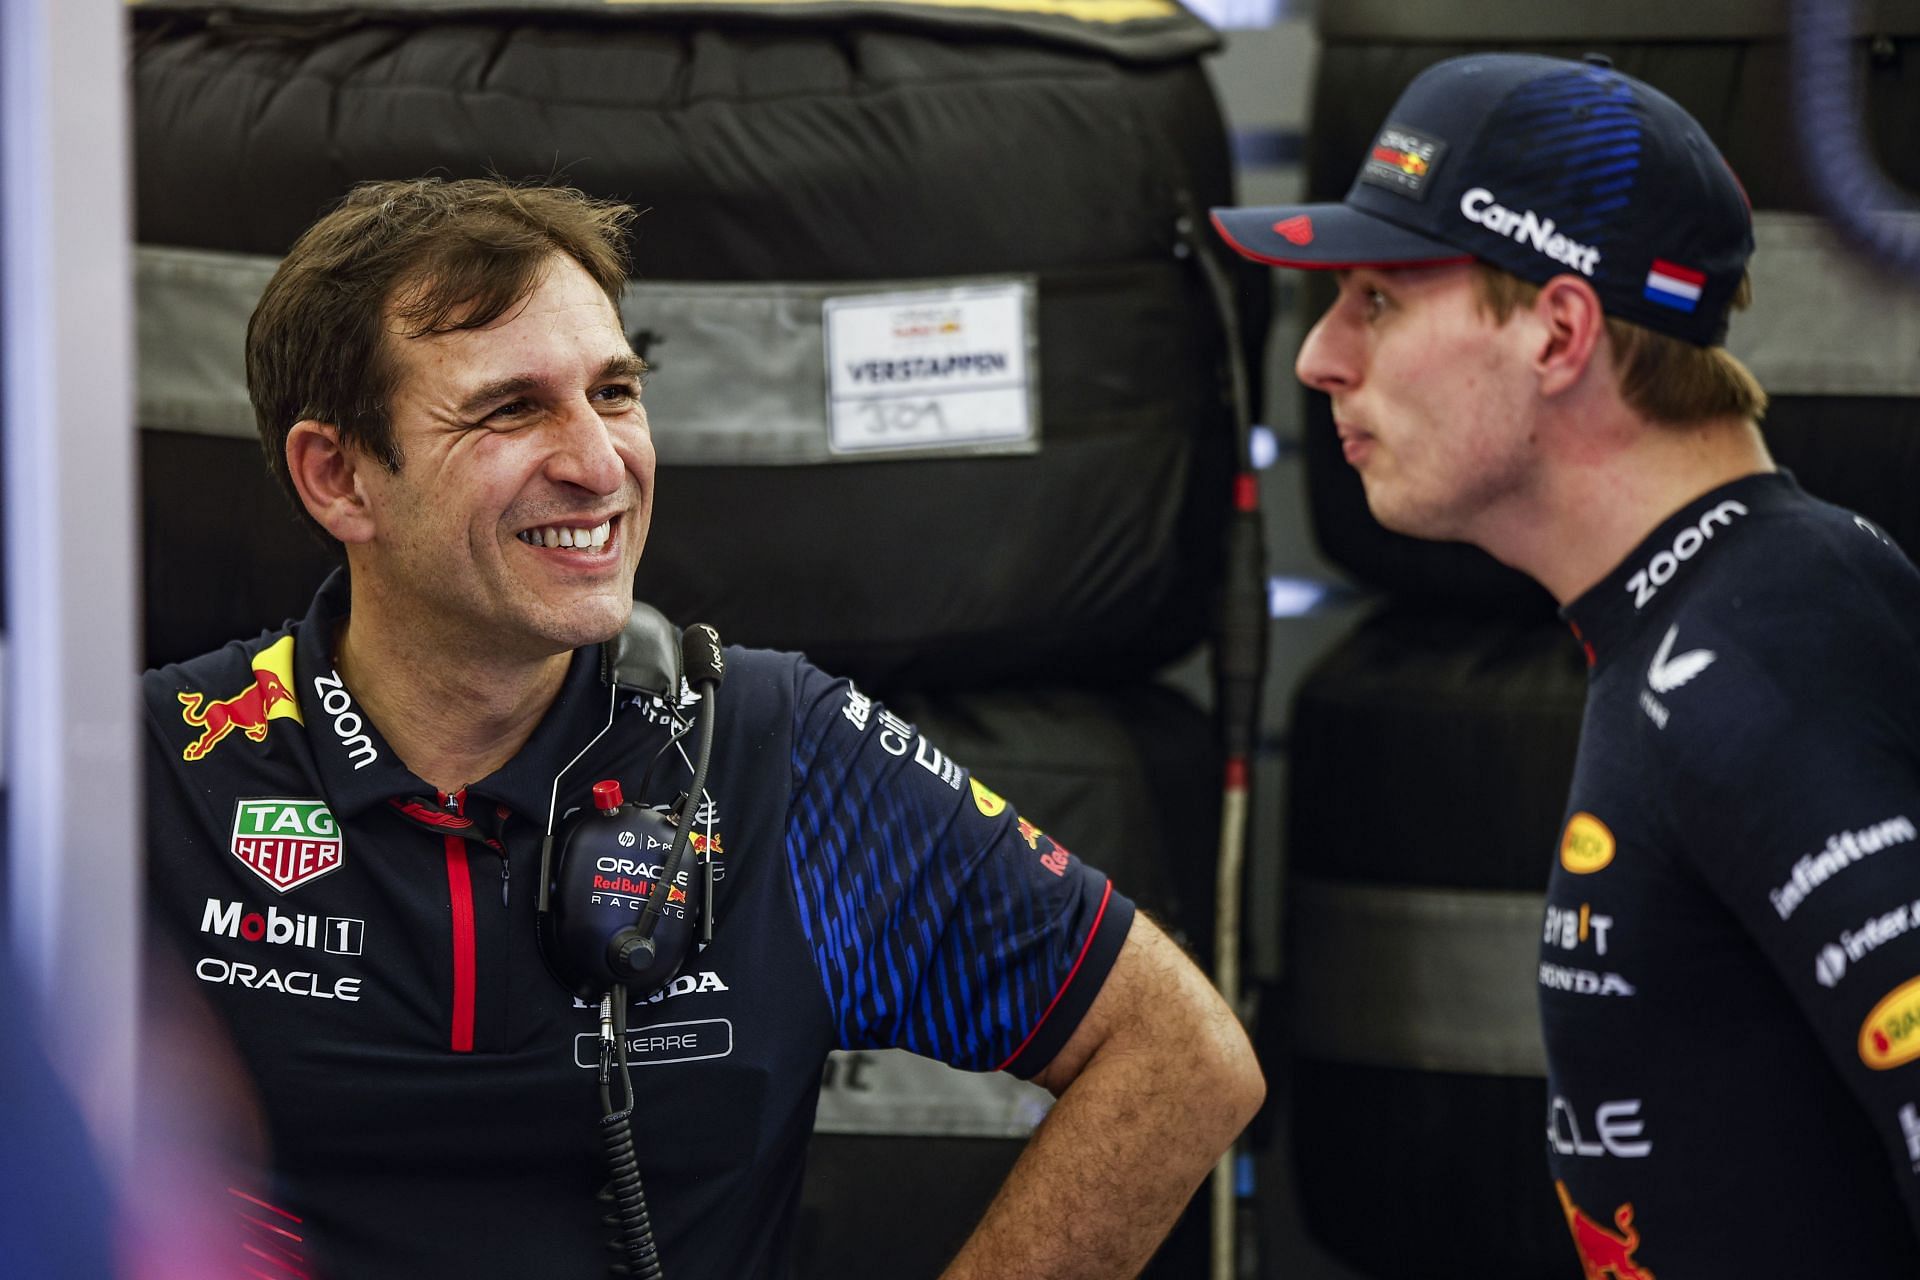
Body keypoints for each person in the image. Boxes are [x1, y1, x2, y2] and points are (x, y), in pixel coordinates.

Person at [141, 177, 1263, 1280]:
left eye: (617, 392)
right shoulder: (149, 770)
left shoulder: (775, 749)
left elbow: (1180, 1057)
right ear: (338, 476)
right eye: (512, 407)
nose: (598, 463)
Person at [1213, 52, 1920, 1275]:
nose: (1321, 357)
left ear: (1557, 331)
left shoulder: (1772, 642)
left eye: (1377, 297)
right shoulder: (1711, 611)